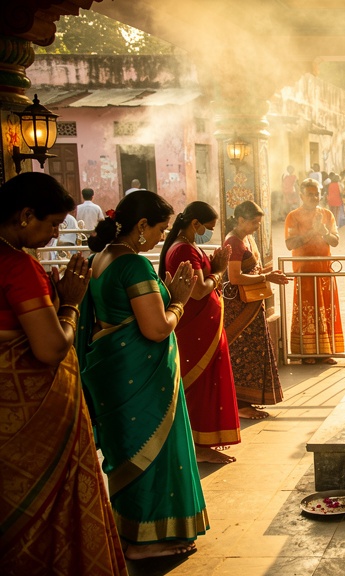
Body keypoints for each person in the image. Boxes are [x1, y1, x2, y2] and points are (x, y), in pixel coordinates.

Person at [0, 173, 127, 574]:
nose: (57, 234)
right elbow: (51, 348)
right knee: (38, 515)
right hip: (30, 422)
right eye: (53, 223)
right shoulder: (17, 266)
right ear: (25, 215)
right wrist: (70, 304)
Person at [77, 189, 208, 559]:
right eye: (158, 228)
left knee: (127, 447)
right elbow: (155, 328)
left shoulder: (102, 258)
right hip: (141, 375)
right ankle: (147, 541)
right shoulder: (134, 264)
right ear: (140, 225)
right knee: (150, 449)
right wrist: (178, 301)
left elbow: (119, 314)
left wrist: (165, 293)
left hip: (115, 373)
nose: (158, 237)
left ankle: (131, 531)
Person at [159, 201, 240, 464]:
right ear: (195, 224)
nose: (210, 232)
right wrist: (218, 270)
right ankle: (197, 447)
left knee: (208, 384)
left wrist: (214, 266)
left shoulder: (189, 245)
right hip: (193, 329)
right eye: (209, 227)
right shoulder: (182, 249)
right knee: (198, 388)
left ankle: (204, 442)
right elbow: (199, 290)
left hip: (204, 328)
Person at [223, 201, 289, 418]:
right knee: (241, 353)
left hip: (251, 304)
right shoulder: (234, 241)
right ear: (240, 220)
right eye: (253, 222)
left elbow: (250, 268)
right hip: (239, 307)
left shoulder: (245, 239)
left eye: (258, 223)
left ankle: (249, 399)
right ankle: (240, 404)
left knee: (253, 351)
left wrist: (266, 272)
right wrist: (266, 276)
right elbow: (234, 277)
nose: (256, 227)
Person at [286, 178, 344, 363]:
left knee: (325, 310)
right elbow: (290, 244)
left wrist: (324, 231)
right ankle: (307, 353)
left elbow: (335, 241)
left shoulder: (327, 215)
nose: (314, 197)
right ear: (301, 195)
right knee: (307, 311)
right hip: (304, 272)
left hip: (324, 271)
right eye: (310, 194)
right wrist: (312, 232)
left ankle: (325, 352)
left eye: (317, 193)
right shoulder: (293, 216)